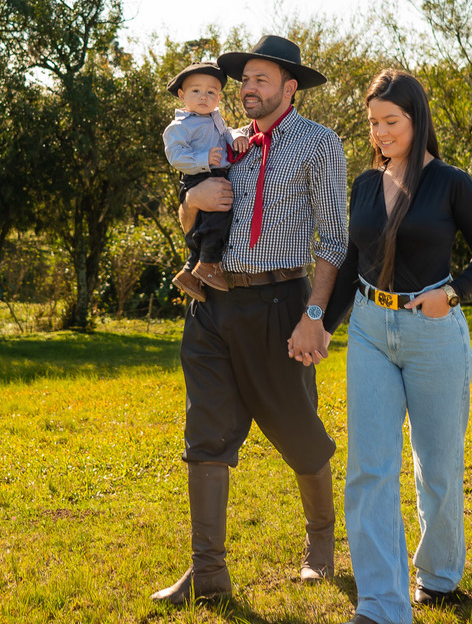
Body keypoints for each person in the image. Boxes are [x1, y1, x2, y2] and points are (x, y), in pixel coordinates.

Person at [151, 35, 348, 604]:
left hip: (278, 304)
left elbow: (335, 241)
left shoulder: (319, 143)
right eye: (245, 80)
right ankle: (208, 573)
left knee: (296, 427)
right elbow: (190, 217)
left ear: (290, 87)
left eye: (262, 79)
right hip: (211, 304)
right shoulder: (223, 141)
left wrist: (315, 315)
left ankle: (320, 546)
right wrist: (193, 202)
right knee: (206, 433)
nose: (248, 89)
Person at [317, 69, 472, 624]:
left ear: (416, 119)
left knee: (437, 467)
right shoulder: (365, 185)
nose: (380, 133)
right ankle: (382, 604)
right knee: (368, 469)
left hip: (432, 334)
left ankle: (439, 576)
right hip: (370, 330)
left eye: (391, 121)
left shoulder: (451, 183)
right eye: (373, 122)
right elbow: (354, 259)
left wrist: (453, 292)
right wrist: (322, 324)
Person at [162, 62, 250, 302]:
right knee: (218, 217)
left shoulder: (215, 118)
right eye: (196, 90)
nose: (204, 96)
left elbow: (226, 133)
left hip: (214, 173)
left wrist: (237, 136)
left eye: (211, 92)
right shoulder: (180, 126)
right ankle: (209, 265)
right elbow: (175, 156)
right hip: (197, 175)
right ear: (182, 95)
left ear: (219, 98)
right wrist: (203, 159)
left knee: (205, 223)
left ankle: (189, 272)